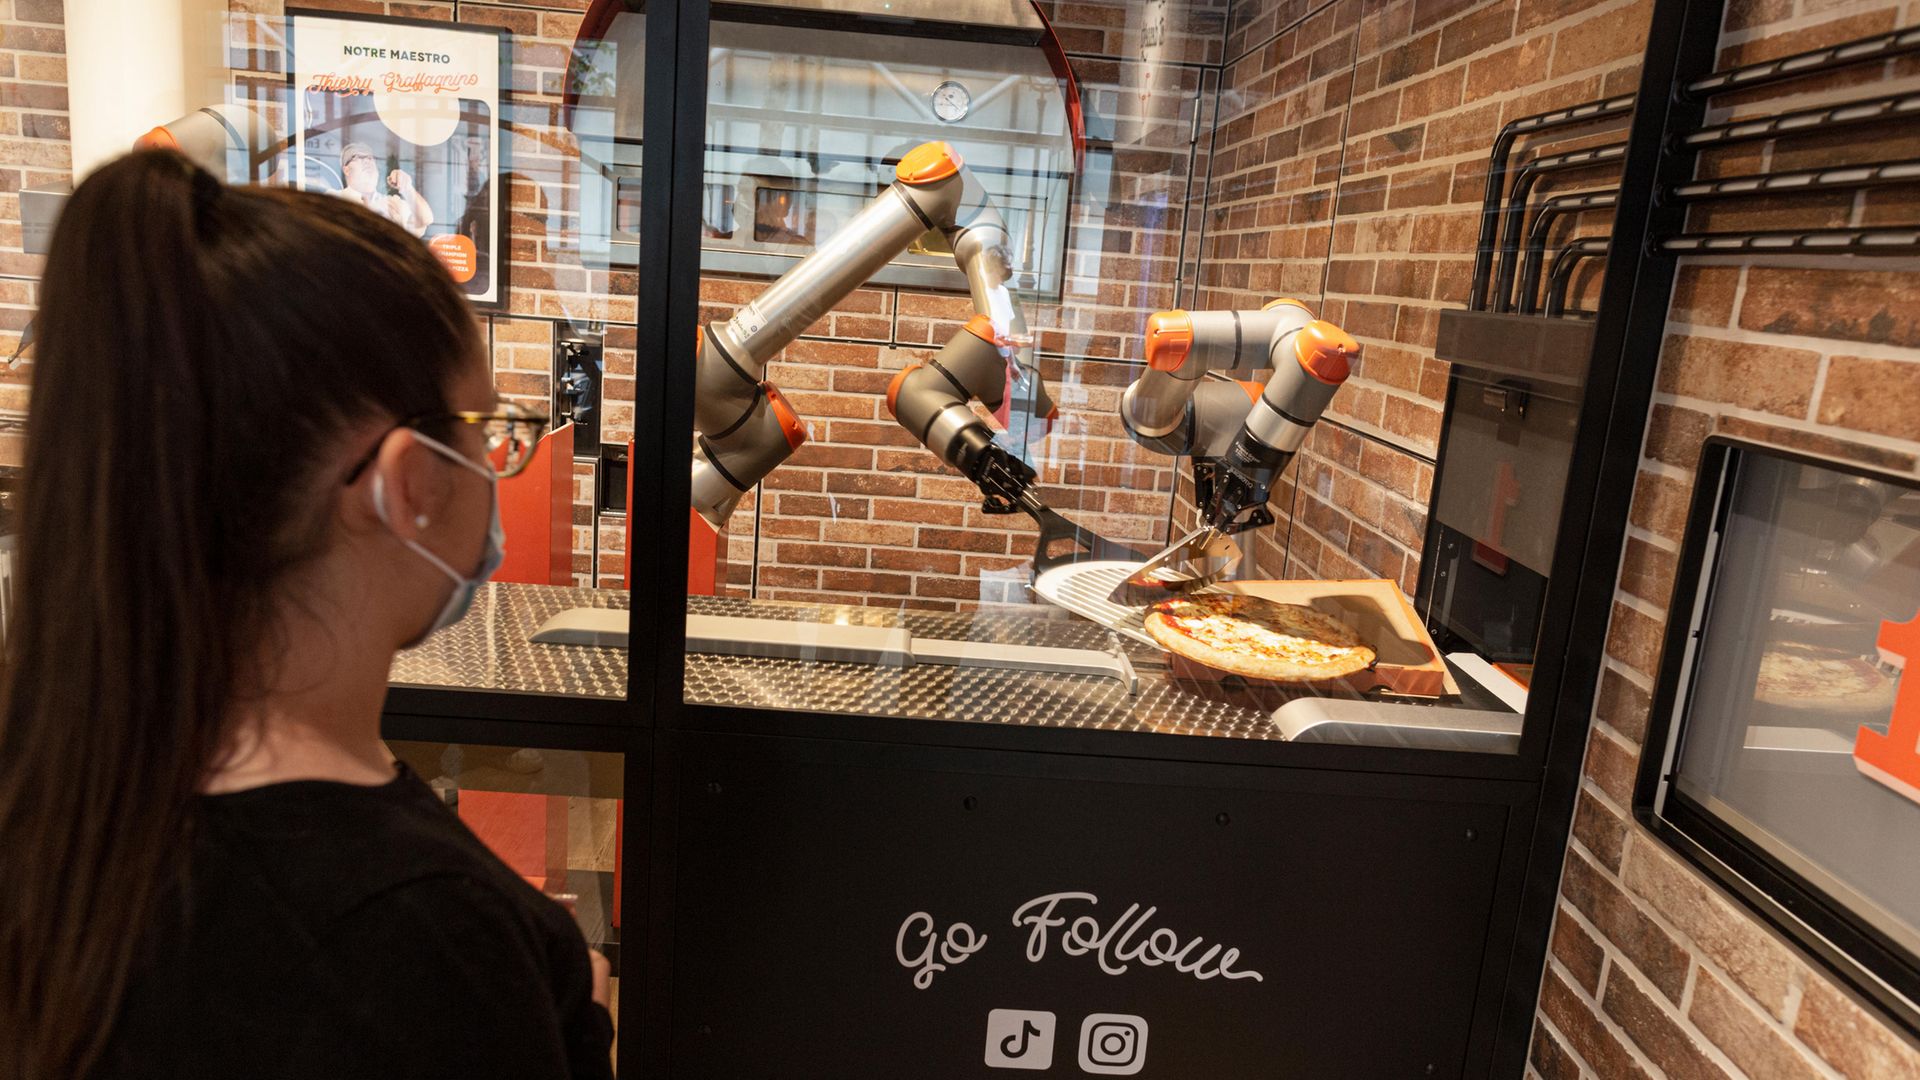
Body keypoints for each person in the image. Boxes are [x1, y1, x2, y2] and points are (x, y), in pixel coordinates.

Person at [0, 150, 613, 1079]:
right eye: (487, 433)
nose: (498, 466)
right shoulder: (427, 944)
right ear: (408, 482)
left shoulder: (55, 813)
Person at [331, 140, 435, 238]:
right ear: (347, 170)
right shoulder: (333, 199)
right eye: (358, 157)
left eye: (370, 158)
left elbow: (426, 219)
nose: (367, 161)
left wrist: (407, 188)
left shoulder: (393, 203)